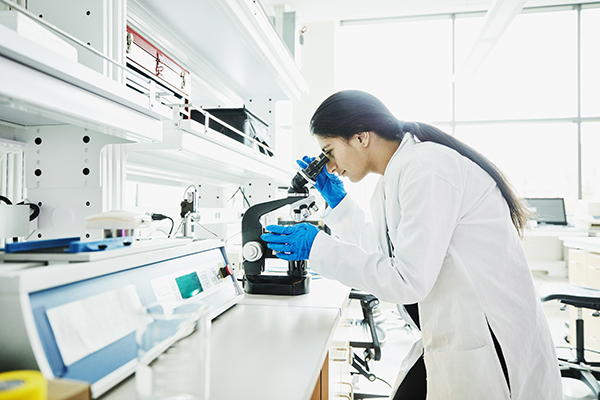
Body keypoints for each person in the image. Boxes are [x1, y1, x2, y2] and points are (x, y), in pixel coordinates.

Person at [261, 90, 563, 399]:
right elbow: (382, 250)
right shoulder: (395, 177)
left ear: (361, 137)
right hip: (455, 331)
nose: (331, 166)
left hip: (491, 340)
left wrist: (317, 248)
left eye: (330, 151)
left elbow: (407, 280)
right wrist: (339, 206)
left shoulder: (426, 168)